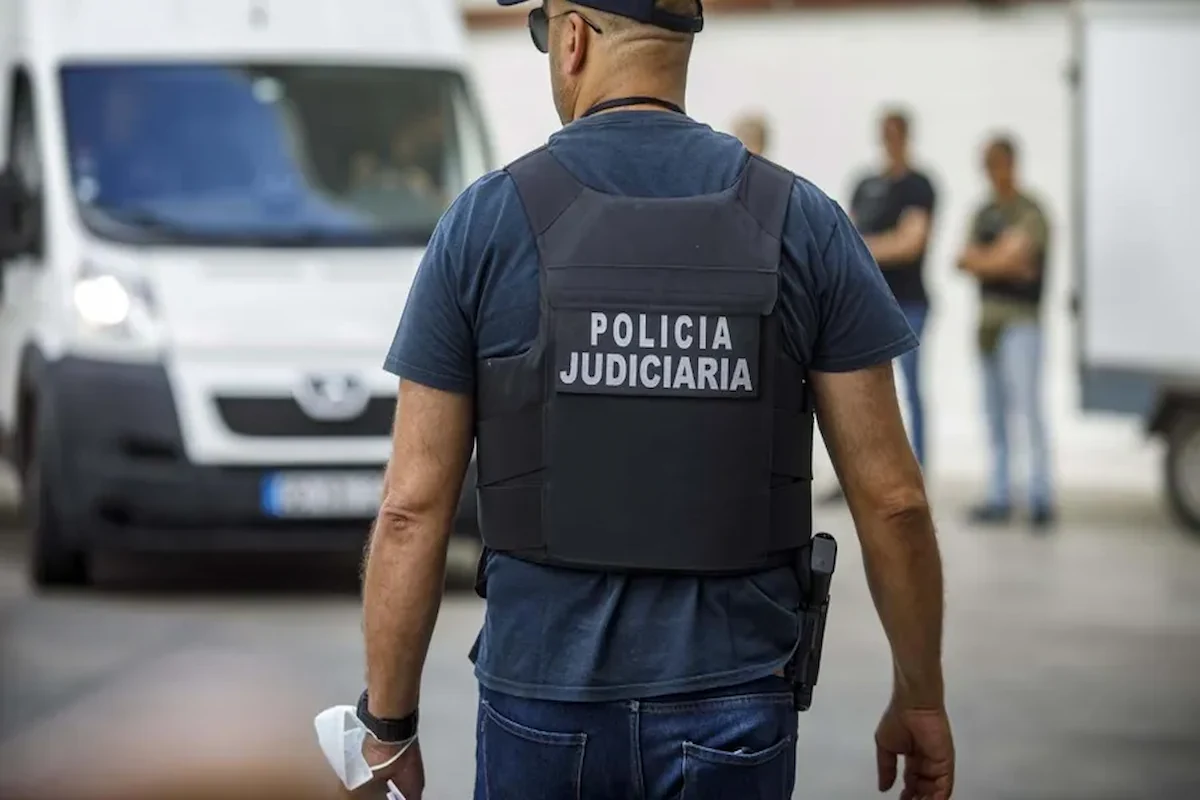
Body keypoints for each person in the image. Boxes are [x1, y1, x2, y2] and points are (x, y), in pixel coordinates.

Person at [352, 0, 954, 798]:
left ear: (572, 40)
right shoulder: (801, 221)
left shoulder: (486, 223)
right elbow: (895, 501)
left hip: (542, 700)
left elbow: (411, 508)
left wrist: (387, 730)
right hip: (735, 698)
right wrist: (920, 695)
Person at [821, 108, 936, 505]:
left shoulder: (920, 185)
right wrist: (880, 245)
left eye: (896, 133)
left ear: (906, 136)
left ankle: (915, 474)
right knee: (858, 389)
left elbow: (912, 243)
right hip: (868, 300)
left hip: (909, 303)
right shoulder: (865, 183)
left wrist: (867, 247)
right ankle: (856, 475)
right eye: (885, 133)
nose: (891, 141)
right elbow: (847, 234)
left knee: (911, 389)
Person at [957, 134, 1055, 527]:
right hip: (988, 324)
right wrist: (1003, 261)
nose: (990, 172)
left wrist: (989, 260)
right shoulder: (983, 213)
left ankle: (1040, 495)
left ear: (1011, 163)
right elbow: (964, 259)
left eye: (995, 163)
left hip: (1021, 323)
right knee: (994, 413)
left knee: (1029, 409)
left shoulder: (1030, 211)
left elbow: (1023, 256)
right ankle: (999, 494)